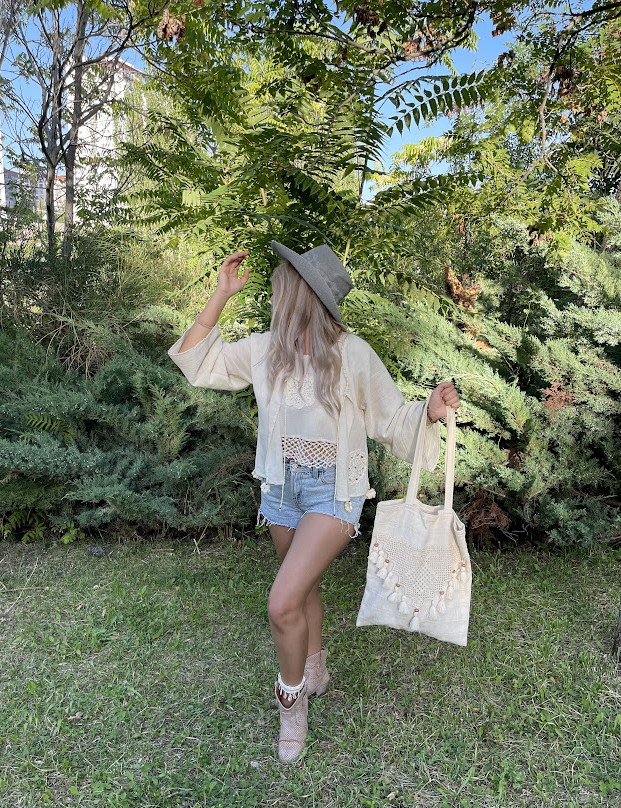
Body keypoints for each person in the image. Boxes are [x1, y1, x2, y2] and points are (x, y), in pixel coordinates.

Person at [167, 242, 461, 763]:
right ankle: (316, 664)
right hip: (281, 490)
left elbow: (392, 420)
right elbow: (196, 360)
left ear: (300, 295)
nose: (276, 288)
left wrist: (432, 413)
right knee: (300, 591)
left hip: (334, 491)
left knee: (281, 602)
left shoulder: (352, 355)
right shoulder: (265, 351)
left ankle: (292, 701)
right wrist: (220, 294)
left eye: (283, 282)